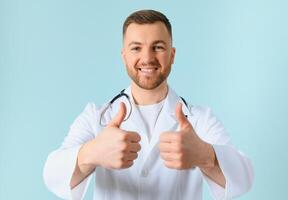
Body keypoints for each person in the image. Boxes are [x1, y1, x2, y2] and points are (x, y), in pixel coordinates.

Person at [43, 9, 254, 200]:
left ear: (172, 55)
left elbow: (244, 179)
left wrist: (206, 155)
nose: (147, 58)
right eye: (136, 48)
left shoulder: (199, 119)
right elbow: (51, 175)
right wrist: (91, 153)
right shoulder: (96, 117)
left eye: (158, 47)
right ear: (124, 56)